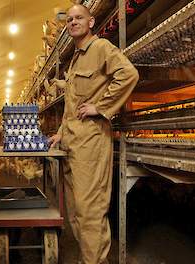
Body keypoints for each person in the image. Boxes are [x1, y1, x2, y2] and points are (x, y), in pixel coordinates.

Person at [48, 4, 139, 264]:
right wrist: (61, 133)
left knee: (90, 212)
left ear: (91, 22)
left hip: (91, 144)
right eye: (69, 20)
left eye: (79, 18)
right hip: (73, 144)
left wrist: (101, 107)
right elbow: (74, 103)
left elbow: (129, 74)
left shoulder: (101, 49)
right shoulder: (77, 57)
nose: (73, 22)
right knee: (76, 212)